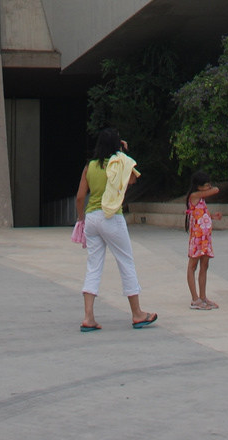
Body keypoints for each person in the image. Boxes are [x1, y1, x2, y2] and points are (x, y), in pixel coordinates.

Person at [75, 128, 157, 332]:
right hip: (111, 217)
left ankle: (88, 316)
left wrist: (81, 219)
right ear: (117, 145)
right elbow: (132, 180)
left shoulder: (89, 166)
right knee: (125, 262)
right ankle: (137, 313)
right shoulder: (119, 162)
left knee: (93, 266)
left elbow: (79, 197)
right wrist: (122, 153)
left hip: (92, 217)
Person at [184, 168, 225, 309]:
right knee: (192, 266)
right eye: (206, 184)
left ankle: (202, 296)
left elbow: (200, 214)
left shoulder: (201, 199)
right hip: (197, 239)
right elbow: (216, 190)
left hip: (205, 238)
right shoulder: (194, 196)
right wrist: (211, 188)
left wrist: (212, 216)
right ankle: (195, 299)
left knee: (204, 266)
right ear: (199, 186)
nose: (209, 186)